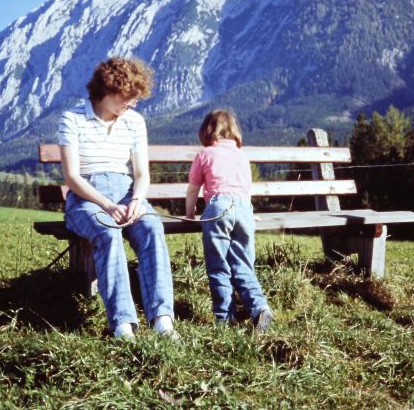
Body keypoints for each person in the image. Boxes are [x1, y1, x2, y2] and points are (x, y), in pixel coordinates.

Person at [59, 57, 176, 339]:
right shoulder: (72, 119)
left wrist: (136, 201)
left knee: (151, 227)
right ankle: (123, 325)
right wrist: (107, 205)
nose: (131, 104)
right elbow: (72, 178)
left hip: (127, 193)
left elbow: (141, 174)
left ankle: (162, 320)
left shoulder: (134, 122)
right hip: (87, 198)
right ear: (107, 90)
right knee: (107, 233)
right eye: (127, 97)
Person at [185, 109, 274, 332]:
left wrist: (189, 213)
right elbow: (245, 190)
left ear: (207, 131)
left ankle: (224, 320)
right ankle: (259, 307)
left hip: (219, 208)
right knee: (243, 264)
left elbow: (193, 189)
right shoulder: (241, 156)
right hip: (244, 210)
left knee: (219, 267)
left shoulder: (205, 154)